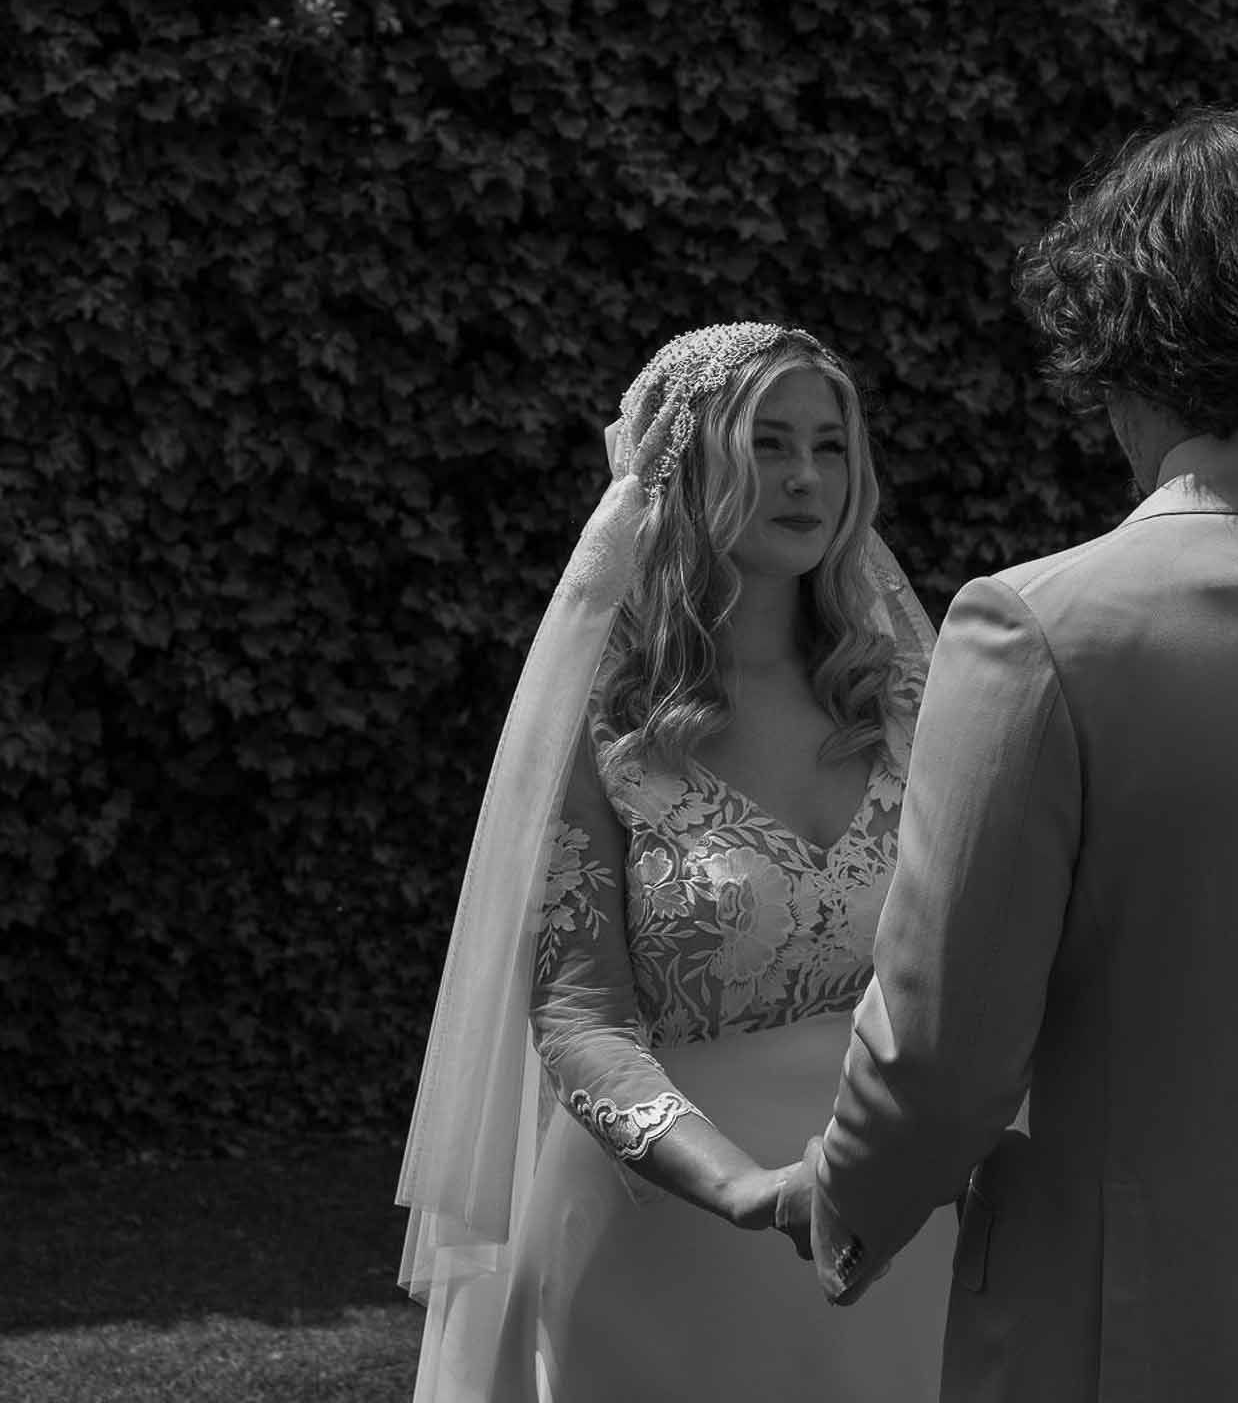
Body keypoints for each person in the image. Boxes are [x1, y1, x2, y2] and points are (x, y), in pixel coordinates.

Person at [805, 105, 1238, 1401]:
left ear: (1124, 346)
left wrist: (843, 1205)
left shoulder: (1038, 629)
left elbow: (942, 1054)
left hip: (1142, 1325)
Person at [396, 321, 958, 1402]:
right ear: (686, 463)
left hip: (895, 1218)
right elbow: (578, 1018)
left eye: (830, 444)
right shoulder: (602, 723)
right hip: (664, 1232)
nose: (804, 476)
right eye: (767, 441)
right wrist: (749, 1190)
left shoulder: (904, 697)